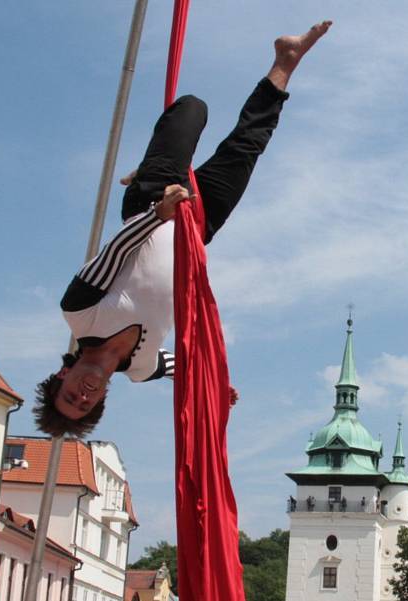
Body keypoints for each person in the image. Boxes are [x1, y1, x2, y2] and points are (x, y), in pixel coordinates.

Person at [34, 21, 333, 437]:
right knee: (247, 146)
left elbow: (116, 252)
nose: (83, 396)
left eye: (70, 398)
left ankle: (146, 168)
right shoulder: (141, 368)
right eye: (86, 405)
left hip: (154, 201)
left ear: (59, 379)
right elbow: (188, 364)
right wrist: (216, 388)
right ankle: (286, 60)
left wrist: (160, 211)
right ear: (101, 401)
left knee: (193, 108)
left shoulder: (79, 314)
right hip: (196, 230)